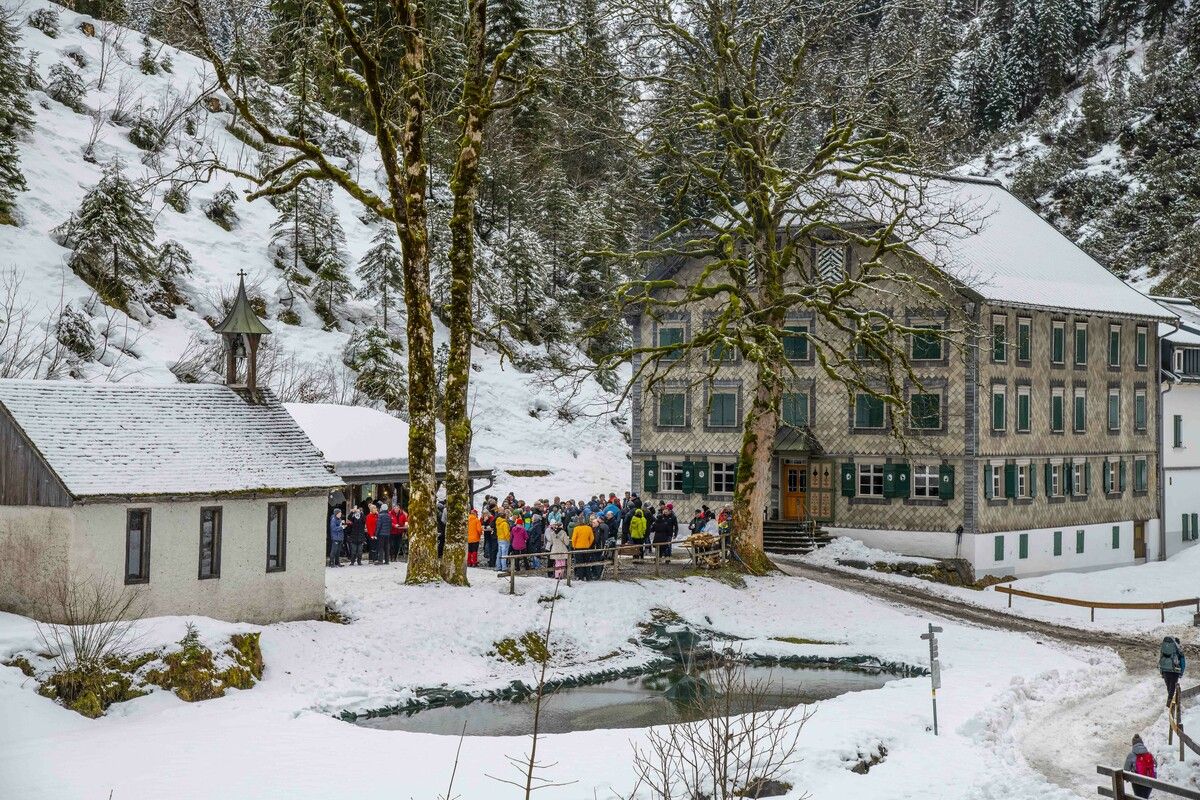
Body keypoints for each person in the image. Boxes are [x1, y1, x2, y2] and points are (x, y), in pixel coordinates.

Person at [1123, 734, 1155, 798]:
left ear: (1133, 744)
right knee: (1145, 797)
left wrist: (1127, 779)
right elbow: (1154, 766)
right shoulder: (1149, 754)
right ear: (1142, 743)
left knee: (1138, 797)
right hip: (1149, 781)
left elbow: (1126, 770)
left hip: (1137, 782)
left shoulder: (1131, 755)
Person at [1160, 636, 1186, 705]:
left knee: (1169, 688)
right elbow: (1183, 662)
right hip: (1175, 671)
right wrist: (1181, 672)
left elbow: (1161, 659)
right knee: (1172, 688)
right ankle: (1170, 703)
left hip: (1165, 670)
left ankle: (1172, 703)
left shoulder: (1165, 649)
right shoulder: (1179, 650)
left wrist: (1162, 672)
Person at [571, 516, 595, 581]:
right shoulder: (589, 528)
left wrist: (574, 546)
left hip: (578, 548)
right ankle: (588, 576)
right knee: (587, 562)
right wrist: (588, 544)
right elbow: (592, 538)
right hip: (586, 547)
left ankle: (580, 577)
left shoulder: (576, 528)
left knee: (579, 563)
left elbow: (573, 539)